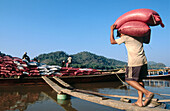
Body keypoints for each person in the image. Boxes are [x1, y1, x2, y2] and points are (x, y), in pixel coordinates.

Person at [110, 24, 154, 107]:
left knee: (129, 80)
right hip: (143, 61)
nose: (120, 36)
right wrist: (149, 31)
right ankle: (139, 101)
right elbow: (147, 41)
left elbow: (112, 42)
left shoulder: (126, 37)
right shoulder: (139, 36)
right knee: (139, 81)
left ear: (122, 32)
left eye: (119, 35)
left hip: (134, 62)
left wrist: (111, 29)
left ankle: (147, 93)